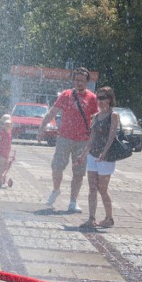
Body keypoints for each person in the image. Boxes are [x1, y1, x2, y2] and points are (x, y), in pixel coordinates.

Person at [38, 67, 98, 212]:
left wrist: (96, 138)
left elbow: (96, 120)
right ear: (73, 81)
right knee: (57, 167)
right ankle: (56, 189)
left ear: (87, 82)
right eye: (77, 80)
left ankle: (73, 201)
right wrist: (42, 128)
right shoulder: (66, 95)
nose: (79, 83)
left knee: (78, 172)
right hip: (64, 137)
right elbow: (53, 111)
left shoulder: (92, 98)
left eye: (82, 81)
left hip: (83, 140)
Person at [76, 87, 119, 229]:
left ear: (109, 99)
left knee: (102, 189)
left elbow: (111, 136)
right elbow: (92, 138)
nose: (100, 101)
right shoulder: (96, 116)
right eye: (98, 98)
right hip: (93, 155)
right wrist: (83, 155)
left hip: (106, 157)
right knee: (92, 188)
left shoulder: (113, 115)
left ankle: (109, 218)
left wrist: (104, 153)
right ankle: (91, 218)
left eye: (103, 98)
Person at [0, 118, 13, 186]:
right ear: (3, 126)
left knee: (7, 165)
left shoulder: (10, 133)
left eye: (9, 125)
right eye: (6, 125)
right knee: (3, 165)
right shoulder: (2, 132)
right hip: (0, 152)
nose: (7, 127)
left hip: (6, 153)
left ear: (11, 126)